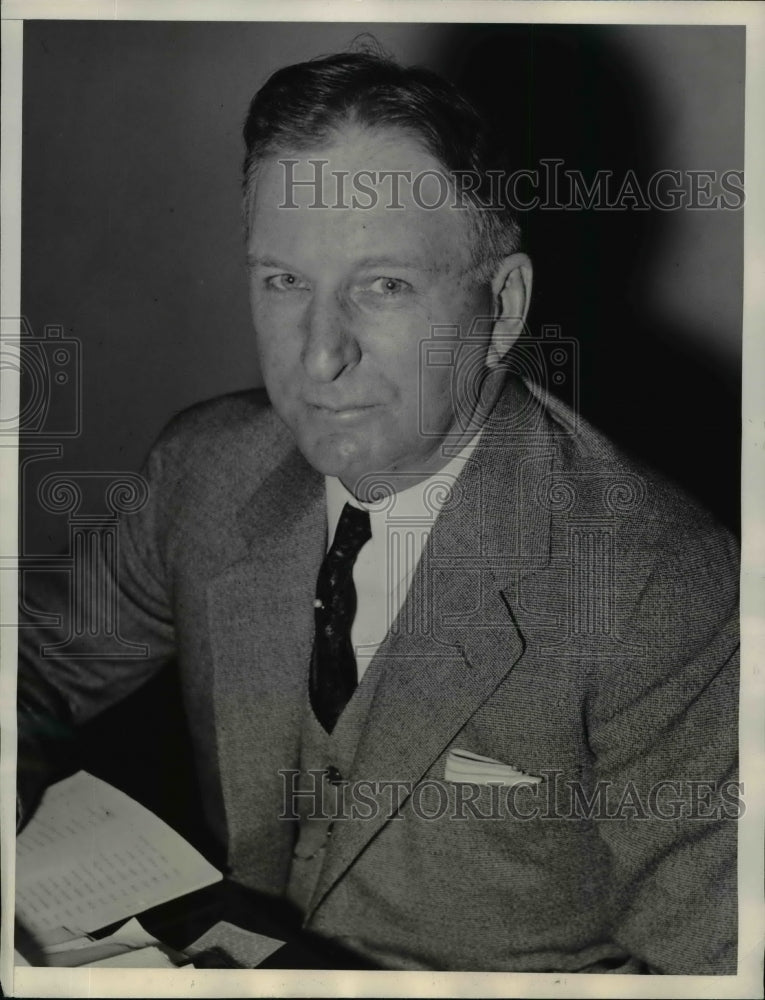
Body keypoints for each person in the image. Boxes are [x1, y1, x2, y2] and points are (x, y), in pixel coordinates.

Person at [17, 51, 739, 974]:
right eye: (284, 281)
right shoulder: (204, 470)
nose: (319, 357)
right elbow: (32, 661)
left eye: (383, 285)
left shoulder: (658, 588)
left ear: (503, 306)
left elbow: (718, 968)